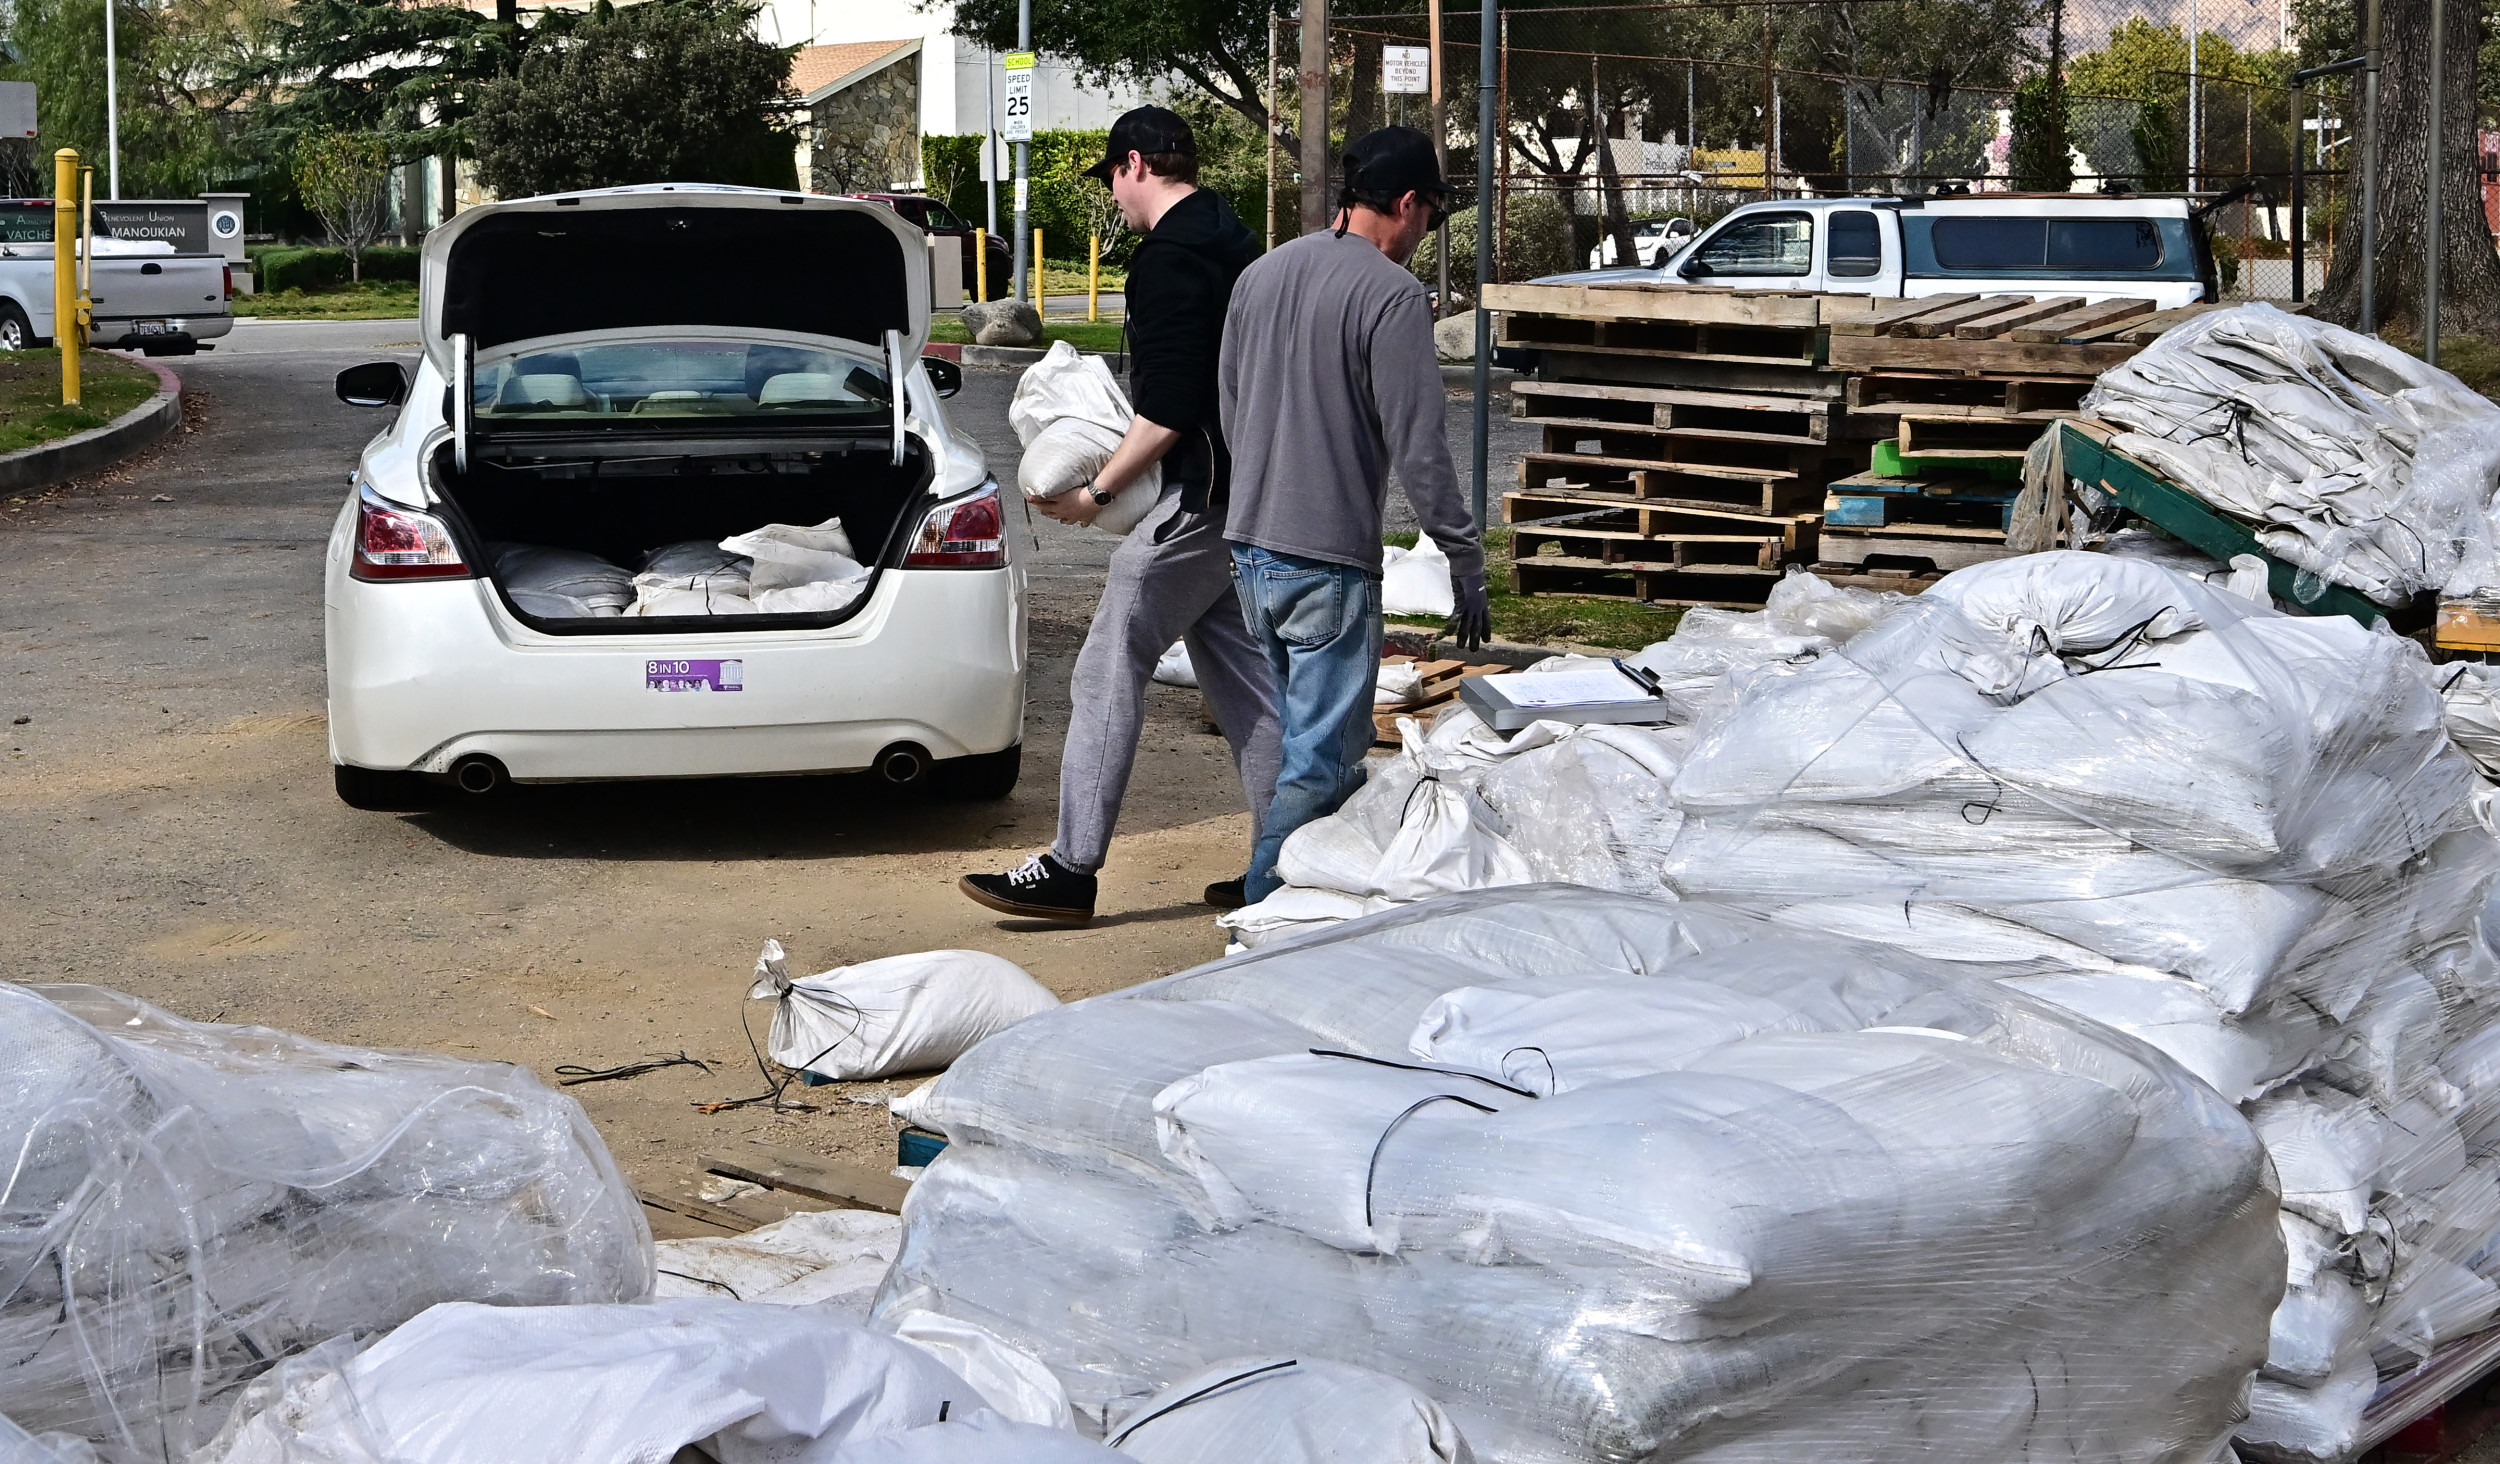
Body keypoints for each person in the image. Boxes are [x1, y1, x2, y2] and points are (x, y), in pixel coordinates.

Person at [959, 106, 1279, 925]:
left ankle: (1071, 868)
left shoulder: (1168, 262)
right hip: (1245, 487)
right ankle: (1290, 863)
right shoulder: (1235, 240)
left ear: (1134, 164)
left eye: (1113, 179)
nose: (1116, 197)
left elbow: (1169, 408)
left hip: (1198, 496)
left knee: (1107, 661)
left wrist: (1096, 494)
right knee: (1243, 682)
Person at [1218, 126, 1491, 904]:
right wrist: (1466, 564)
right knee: (1325, 759)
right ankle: (1265, 906)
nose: (1424, 235)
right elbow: (1421, 448)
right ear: (1408, 204)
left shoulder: (1262, 275)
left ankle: (1302, 894)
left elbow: (1232, 406)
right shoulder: (1393, 294)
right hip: (1325, 560)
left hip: (1250, 551)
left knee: (1302, 740)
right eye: (1429, 217)